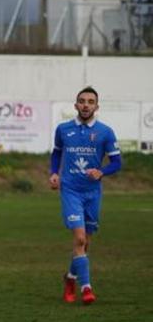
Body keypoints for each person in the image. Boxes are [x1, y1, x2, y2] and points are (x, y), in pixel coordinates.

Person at [49, 86, 121, 305]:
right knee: (79, 238)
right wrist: (54, 173)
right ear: (76, 105)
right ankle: (86, 288)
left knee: (85, 243)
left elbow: (117, 162)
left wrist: (102, 171)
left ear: (96, 106)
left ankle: (70, 278)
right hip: (70, 190)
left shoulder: (105, 132)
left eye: (90, 101)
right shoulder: (63, 129)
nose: (86, 105)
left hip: (92, 192)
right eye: (82, 101)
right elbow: (57, 152)